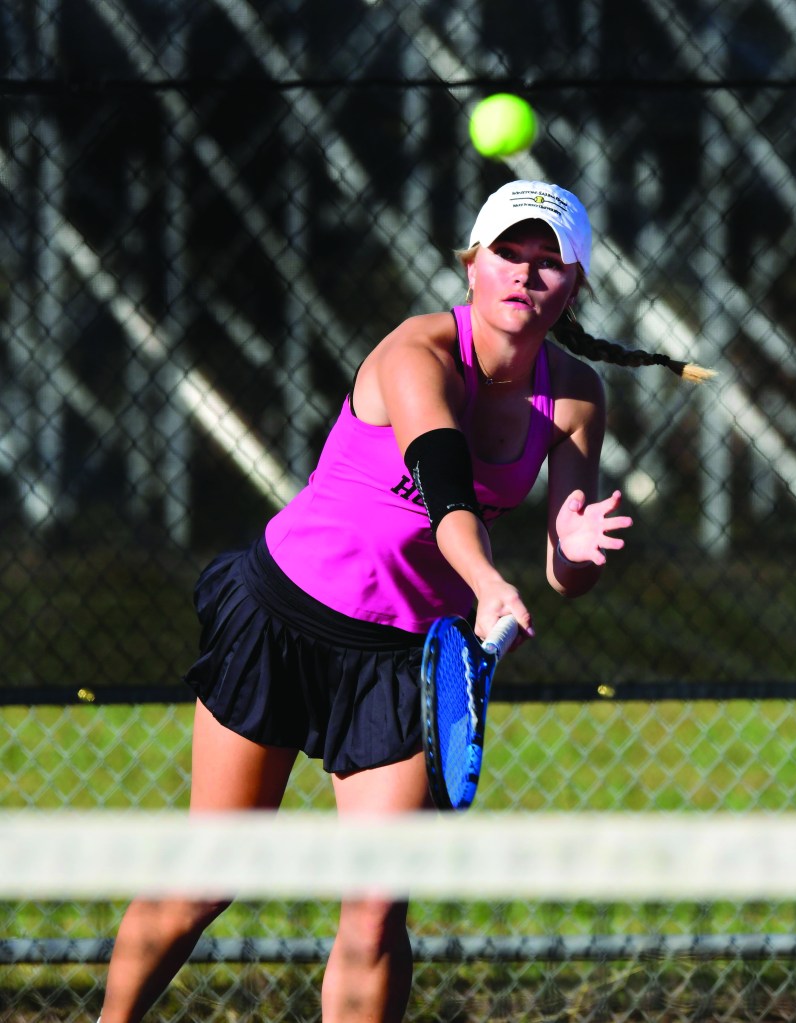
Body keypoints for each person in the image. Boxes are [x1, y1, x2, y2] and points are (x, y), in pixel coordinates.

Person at [98, 179, 710, 1023]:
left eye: (548, 262)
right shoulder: (414, 350)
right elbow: (447, 496)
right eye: (507, 253)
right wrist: (492, 584)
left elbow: (570, 568)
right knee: (207, 878)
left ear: (575, 285)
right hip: (283, 617)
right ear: (472, 264)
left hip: (402, 658)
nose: (524, 276)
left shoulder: (573, 395)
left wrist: (573, 552)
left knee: (376, 910)